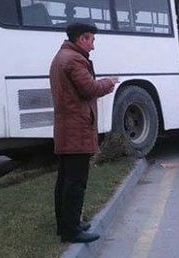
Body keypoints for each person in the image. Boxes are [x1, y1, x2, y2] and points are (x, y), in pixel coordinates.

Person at [50, 22, 118, 243]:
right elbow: (89, 89)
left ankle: (66, 224)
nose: (93, 46)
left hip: (68, 129)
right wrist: (108, 83)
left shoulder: (63, 56)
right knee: (75, 182)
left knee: (65, 180)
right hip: (76, 129)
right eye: (92, 40)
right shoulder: (74, 60)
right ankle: (72, 232)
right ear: (82, 39)